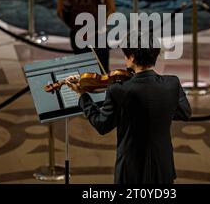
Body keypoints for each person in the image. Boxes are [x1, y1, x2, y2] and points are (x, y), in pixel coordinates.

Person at [66, 33, 192, 184]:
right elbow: (185, 112)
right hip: (162, 166)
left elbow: (102, 124)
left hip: (130, 169)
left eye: (125, 55)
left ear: (131, 57)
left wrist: (82, 95)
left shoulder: (118, 90)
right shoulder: (172, 83)